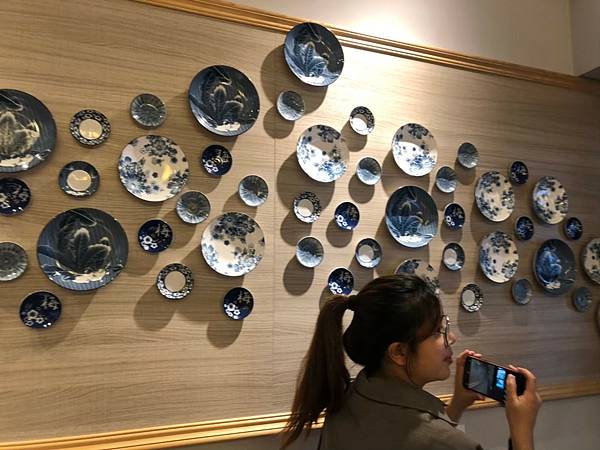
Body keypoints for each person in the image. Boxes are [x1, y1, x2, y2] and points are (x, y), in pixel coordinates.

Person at [281, 274, 542, 450]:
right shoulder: (448, 444)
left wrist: (457, 404)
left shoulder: (349, 398)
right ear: (399, 352)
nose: (451, 337)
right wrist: (521, 430)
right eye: (437, 332)